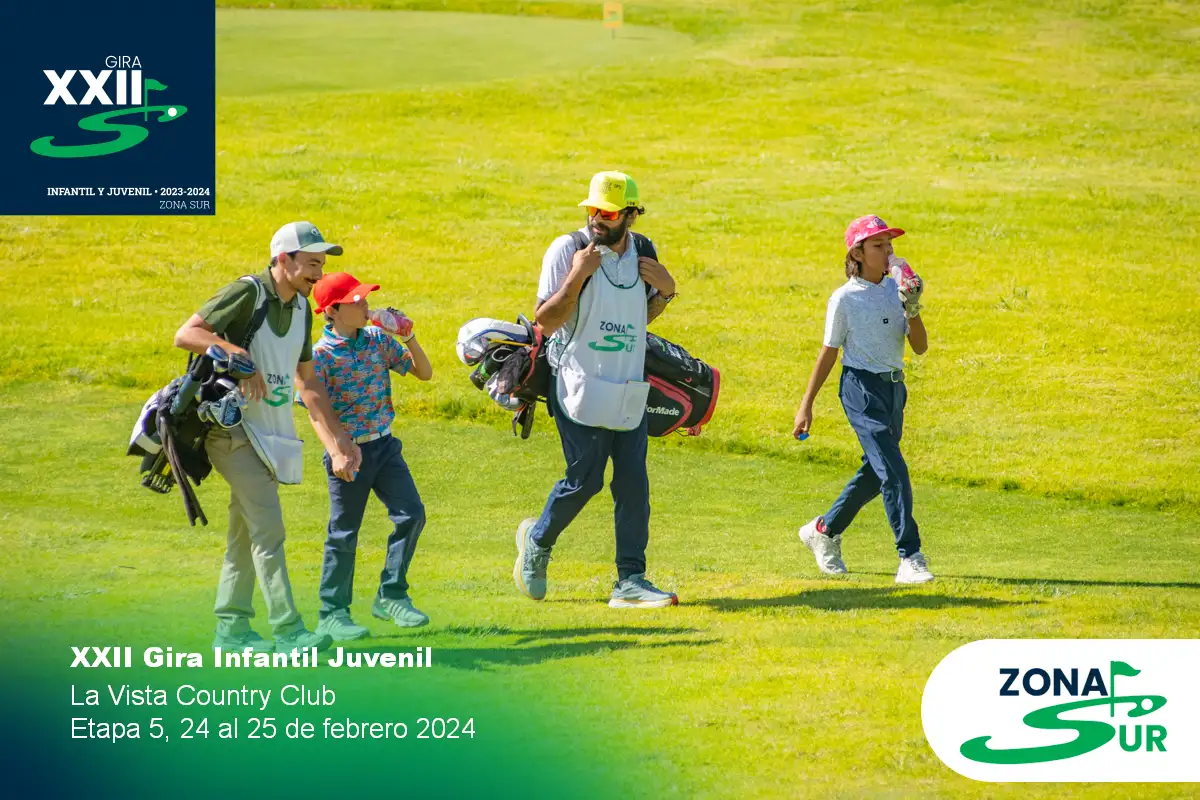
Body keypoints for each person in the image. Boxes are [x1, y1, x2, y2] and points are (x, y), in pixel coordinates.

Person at [173, 221, 362, 653]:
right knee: (269, 530)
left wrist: (339, 440)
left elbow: (307, 384)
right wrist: (237, 355)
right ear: (282, 259)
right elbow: (187, 334)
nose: (318, 273)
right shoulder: (248, 293)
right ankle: (289, 630)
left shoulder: (301, 309)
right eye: (310, 263)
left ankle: (231, 629)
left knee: (245, 534)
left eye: (321, 264)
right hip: (230, 430)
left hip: (269, 435)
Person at [514, 170, 680, 608]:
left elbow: (637, 319)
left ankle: (630, 580)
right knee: (584, 481)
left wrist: (665, 293)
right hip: (577, 383)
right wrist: (576, 276)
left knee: (633, 484)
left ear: (631, 215)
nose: (596, 219)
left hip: (628, 385)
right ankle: (537, 542)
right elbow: (546, 322)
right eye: (592, 210)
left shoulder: (644, 252)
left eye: (607, 213)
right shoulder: (567, 249)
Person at [792, 215, 934, 584]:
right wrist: (806, 405)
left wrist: (912, 307)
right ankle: (910, 556)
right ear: (857, 253)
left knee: (876, 472)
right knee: (894, 470)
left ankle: (824, 530)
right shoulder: (844, 299)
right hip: (860, 390)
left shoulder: (896, 289)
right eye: (878, 245)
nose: (888, 251)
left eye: (890, 245)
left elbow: (920, 347)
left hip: (894, 390)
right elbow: (828, 352)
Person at [308, 272, 434, 640]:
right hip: (349, 455)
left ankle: (391, 595)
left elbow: (424, 373)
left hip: (385, 446)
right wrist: (336, 452)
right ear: (332, 311)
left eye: (365, 299)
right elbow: (315, 412)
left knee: (412, 515)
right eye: (357, 301)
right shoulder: (320, 356)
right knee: (344, 534)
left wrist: (408, 336)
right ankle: (332, 613)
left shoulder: (378, 340)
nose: (366, 305)